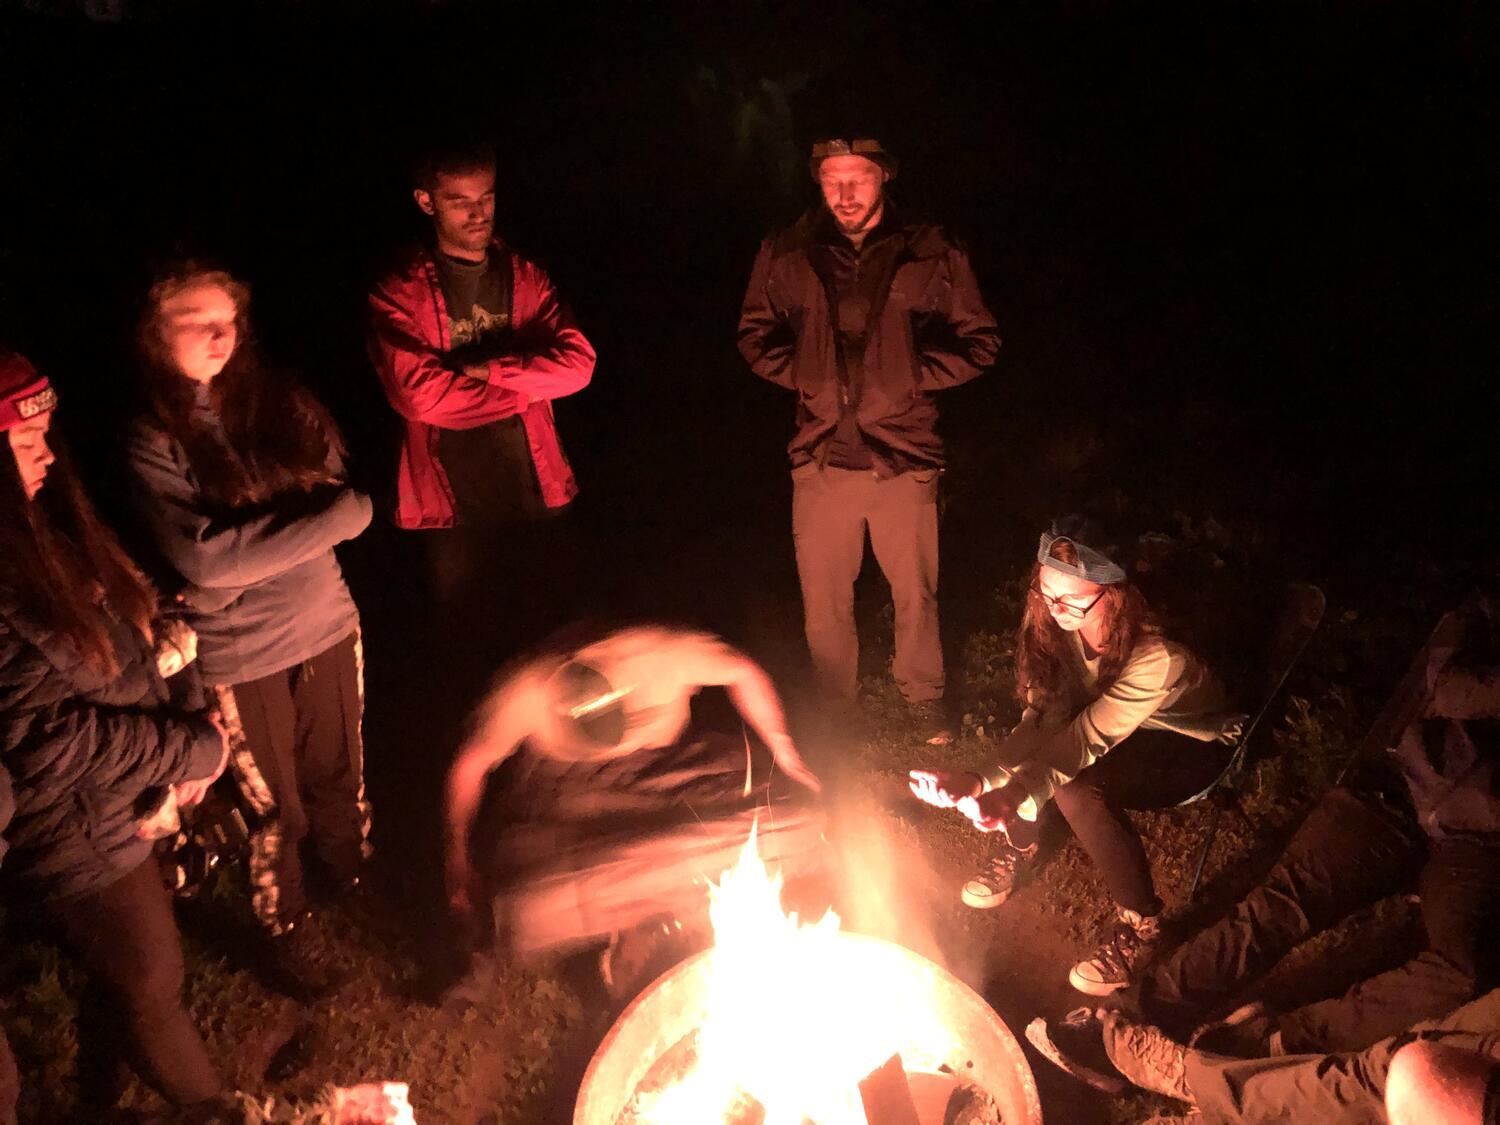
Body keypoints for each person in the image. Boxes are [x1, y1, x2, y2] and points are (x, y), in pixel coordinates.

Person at [1030, 588, 1500, 1092]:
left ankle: (1268, 1044)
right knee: (1276, 907)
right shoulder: (1483, 615)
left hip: (1481, 841)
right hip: (1397, 788)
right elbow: (1450, 689)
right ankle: (1114, 1030)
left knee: (1462, 970)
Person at [126, 266, 374, 997]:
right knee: (276, 809)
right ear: (153, 333)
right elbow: (199, 558)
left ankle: (355, 879)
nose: (218, 332)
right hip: (243, 653)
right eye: (194, 317)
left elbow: (355, 504)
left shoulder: (278, 404)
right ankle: (287, 925)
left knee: (339, 778)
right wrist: (311, 523)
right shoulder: (152, 437)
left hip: (326, 623)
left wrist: (249, 547)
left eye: (228, 316)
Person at [0, 352, 228, 1113]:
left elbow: (144, 629)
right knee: (151, 978)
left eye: (43, 432)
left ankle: (106, 1092)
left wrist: (191, 722)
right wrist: (191, 748)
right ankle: (217, 1110)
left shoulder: (42, 534)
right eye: (20, 438)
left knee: (135, 978)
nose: (45, 451)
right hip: (73, 829)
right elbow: (49, 740)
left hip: (123, 796)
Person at [909, 517, 1243, 995]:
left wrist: (1017, 790)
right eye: (1046, 594)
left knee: (1076, 785)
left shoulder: (1160, 656)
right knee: (1050, 749)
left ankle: (1144, 923)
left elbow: (1086, 739)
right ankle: (1022, 844)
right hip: (1116, 724)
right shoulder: (1061, 627)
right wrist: (978, 780)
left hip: (1188, 742)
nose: (1055, 608)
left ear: (1115, 592)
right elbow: (1045, 719)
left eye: (1071, 598)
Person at [737, 135, 1000, 743]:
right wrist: (809, 378)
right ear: (817, 181)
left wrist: (909, 380)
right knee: (823, 598)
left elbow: (980, 341)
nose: (845, 193)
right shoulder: (789, 250)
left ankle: (923, 698)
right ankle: (834, 704)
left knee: (916, 592)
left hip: (904, 452)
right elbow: (755, 336)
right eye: (832, 180)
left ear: (884, 176)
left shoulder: (930, 250)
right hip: (821, 452)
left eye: (858, 178)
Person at [444, 624, 823, 981]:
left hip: (660, 773)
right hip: (574, 794)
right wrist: (458, 858)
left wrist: (784, 749)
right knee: (527, 905)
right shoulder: (530, 690)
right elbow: (470, 766)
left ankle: (661, 890)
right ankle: (640, 895)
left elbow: (740, 670)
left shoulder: (656, 654)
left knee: (789, 822)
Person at [366, 139, 595, 655]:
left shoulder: (525, 277)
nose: (478, 213)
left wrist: (486, 369)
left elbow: (579, 367)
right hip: (455, 513)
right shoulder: (400, 292)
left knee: (561, 650)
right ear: (426, 202)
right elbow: (420, 398)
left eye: (486, 198)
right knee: (475, 655)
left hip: (537, 495)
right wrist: (525, 387)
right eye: (460, 201)